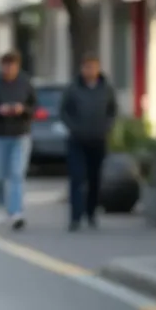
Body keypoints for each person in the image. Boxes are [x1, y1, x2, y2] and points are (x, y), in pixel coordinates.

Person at [60, 53, 117, 231]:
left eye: (93, 66)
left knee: (95, 178)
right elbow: (64, 111)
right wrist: (73, 127)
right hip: (77, 140)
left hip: (98, 139)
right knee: (77, 178)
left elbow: (112, 110)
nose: (89, 70)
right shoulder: (73, 88)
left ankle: (91, 213)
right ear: (81, 69)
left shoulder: (106, 88)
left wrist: (106, 127)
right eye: (86, 67)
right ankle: (75, 217)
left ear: (98, 68)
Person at [0, 51, 36, 230]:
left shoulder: (25, 83)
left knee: (16, 174)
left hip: (20, 134)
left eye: (12, 65)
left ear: (17, 66)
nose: (9, 69)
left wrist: (23, 109)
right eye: (6, 65)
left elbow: (34, 106)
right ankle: (0, 205)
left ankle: (16, 212)